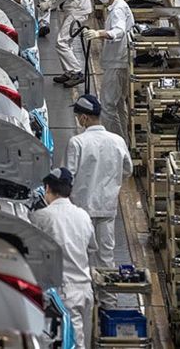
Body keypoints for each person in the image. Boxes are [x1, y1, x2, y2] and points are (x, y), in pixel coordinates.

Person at [65, 93, 132, 308]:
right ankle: (108, 303)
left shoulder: (77, 143)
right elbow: (128, 170)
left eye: (78, 116)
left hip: (82, 210)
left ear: (84, 118)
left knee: (81, 255)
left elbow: (67, 176)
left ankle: (84, 302)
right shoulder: (117, 140)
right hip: (107, 209)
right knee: (106, 256)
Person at [29, 168, 96, 349]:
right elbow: (92, 248)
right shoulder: (83, 216)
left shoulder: (41, 217)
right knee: (83, 341)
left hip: (65, 292)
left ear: (47, 188)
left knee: (73, 343)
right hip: (85, 289)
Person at [83, 0, 135, 138]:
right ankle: (123, 142)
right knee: (118, 106)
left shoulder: (119, 9)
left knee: (107, 107)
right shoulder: (119, 6)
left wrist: (99, 33)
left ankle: (115, 143)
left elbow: (119, 31)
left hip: (116, 64)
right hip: (118, 62)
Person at [39, 0, 92, 88]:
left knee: (61, 42)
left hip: (77, 11)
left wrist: (47, 5)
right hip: (72, 9)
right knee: (65, 42)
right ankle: (69, 72)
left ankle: (77, 72)